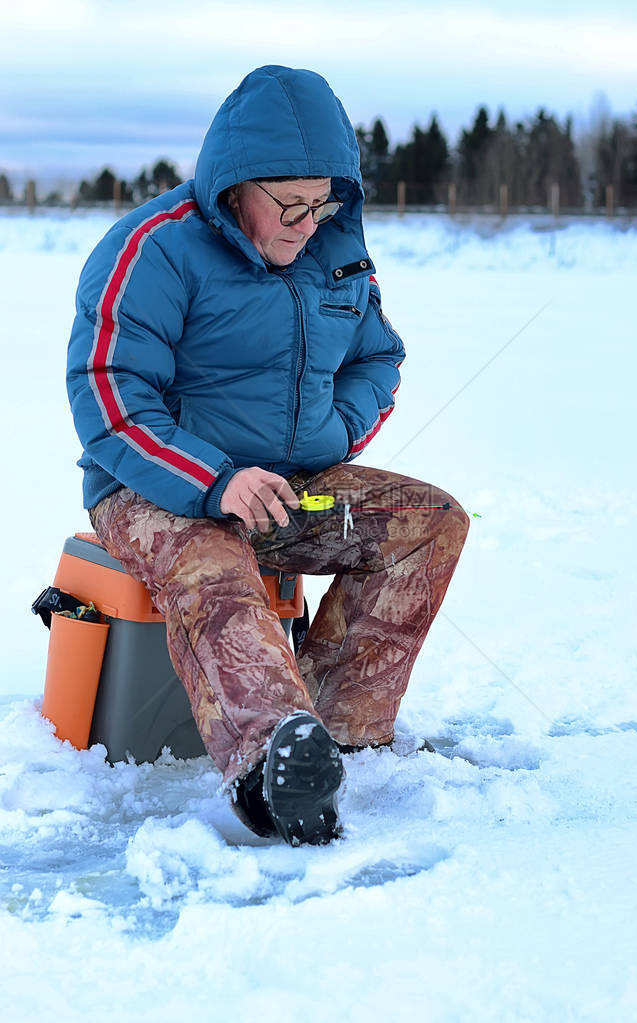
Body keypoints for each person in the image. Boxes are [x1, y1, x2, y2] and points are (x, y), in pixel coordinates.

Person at [66, 65, 469, 846]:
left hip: (290, 487)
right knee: (215, 564)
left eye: (321, 203)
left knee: (428, 524)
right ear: (234, 187)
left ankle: (335, 735)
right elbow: (108, 400)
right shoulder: (155, 250)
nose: (305, 224)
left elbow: (377, 358)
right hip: (153, 487)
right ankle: (270, 765)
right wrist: (214, 480)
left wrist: (331, 435)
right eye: (287, 205)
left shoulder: (337, 256)